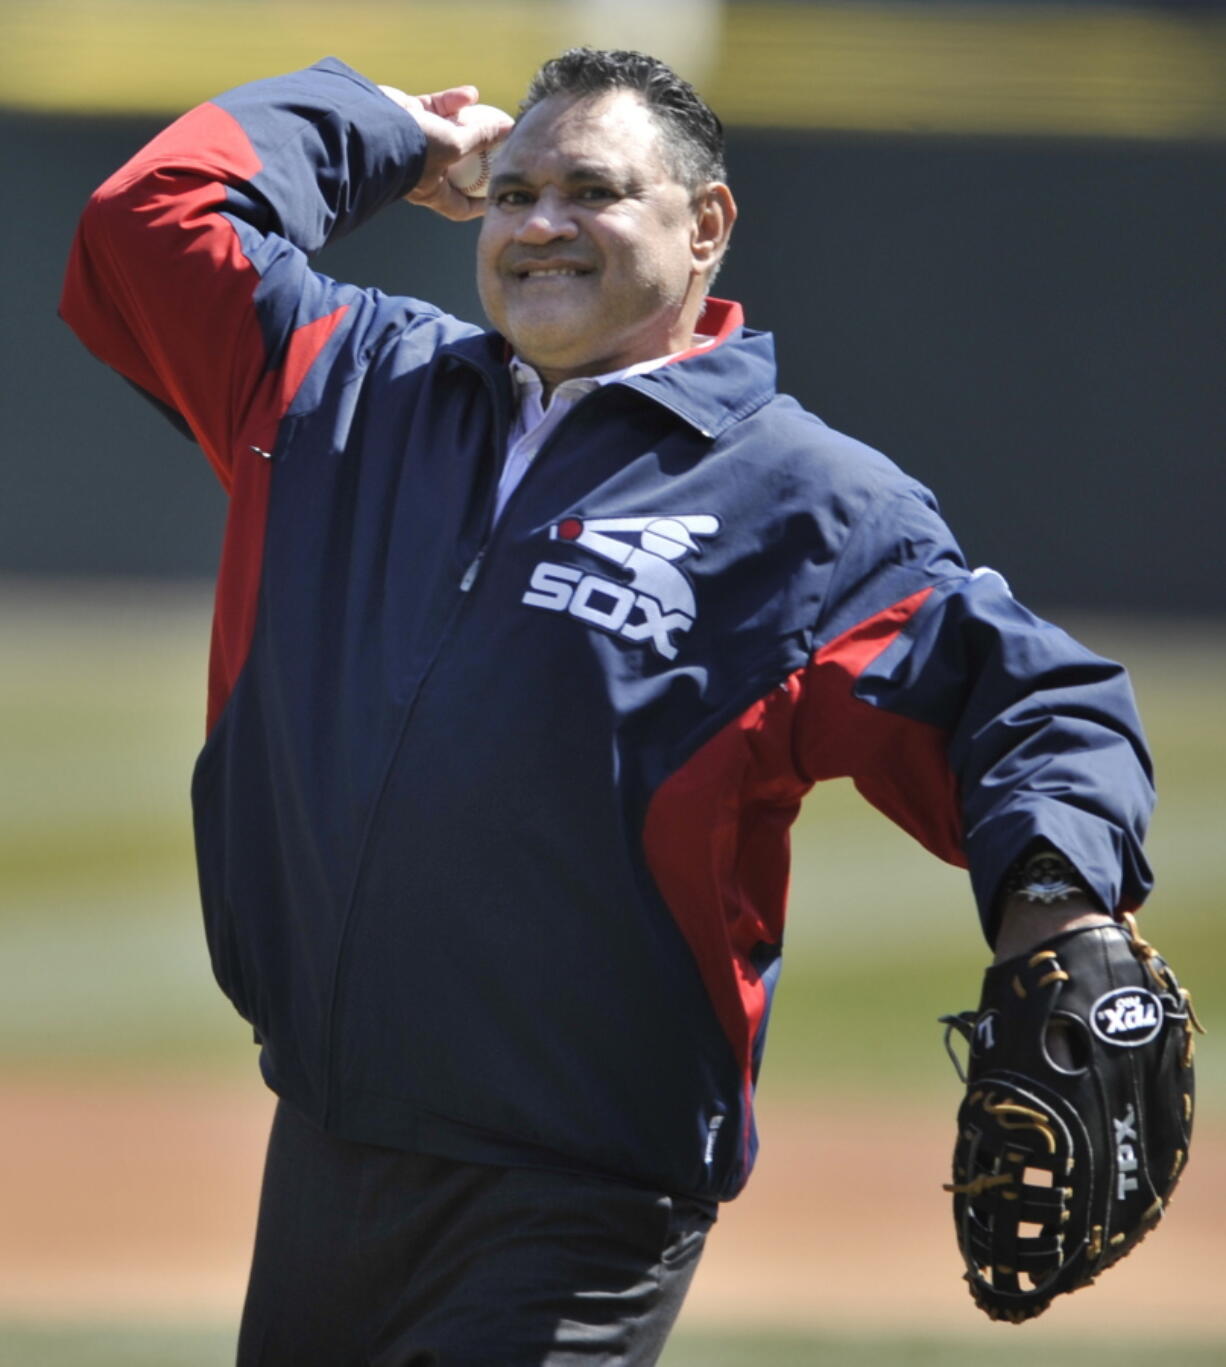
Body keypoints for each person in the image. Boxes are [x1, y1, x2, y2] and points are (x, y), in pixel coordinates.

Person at [60, 48, 1153, 1365]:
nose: (537, 226)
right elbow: (150, 219)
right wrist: (388, 132)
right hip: (329, 1152)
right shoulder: (344, 389)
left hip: (578, 1192)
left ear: (704, 226)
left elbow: (1024, 704)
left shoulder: (808, 506)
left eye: (590, 190)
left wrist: (1062, 917)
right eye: (514, 191)